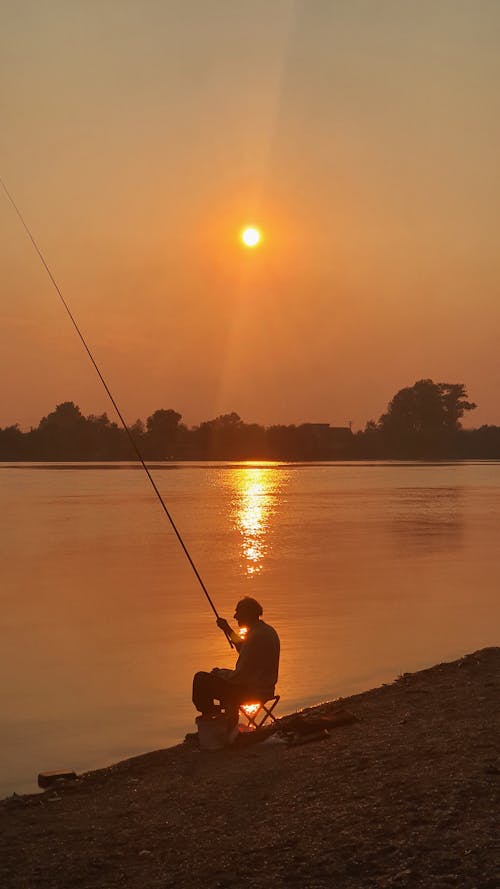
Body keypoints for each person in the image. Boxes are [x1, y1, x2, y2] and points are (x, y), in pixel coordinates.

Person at [192, 596, 280, 732]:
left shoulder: (256, 637)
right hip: (265, 687)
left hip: (253, 691)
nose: (235, 616)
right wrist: (227, 629)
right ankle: (222, 724)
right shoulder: (265, 631)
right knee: (215, 677)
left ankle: (213, 722)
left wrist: (220, 674)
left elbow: (240, 677)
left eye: (238, 613)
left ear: (248, 614)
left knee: (201, 679)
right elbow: (243, 649)